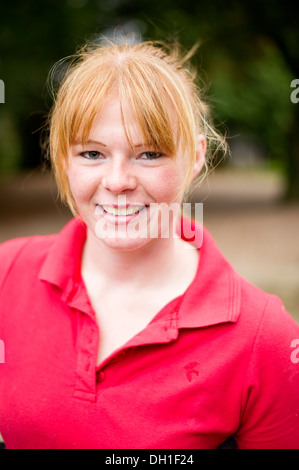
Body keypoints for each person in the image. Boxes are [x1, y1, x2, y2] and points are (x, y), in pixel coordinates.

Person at [0, 37, 299, 450]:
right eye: (92, 153)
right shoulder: (7, 274)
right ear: (62, 160)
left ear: (194, 157)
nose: (118, 181)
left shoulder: (264, 337)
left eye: (149, 154)